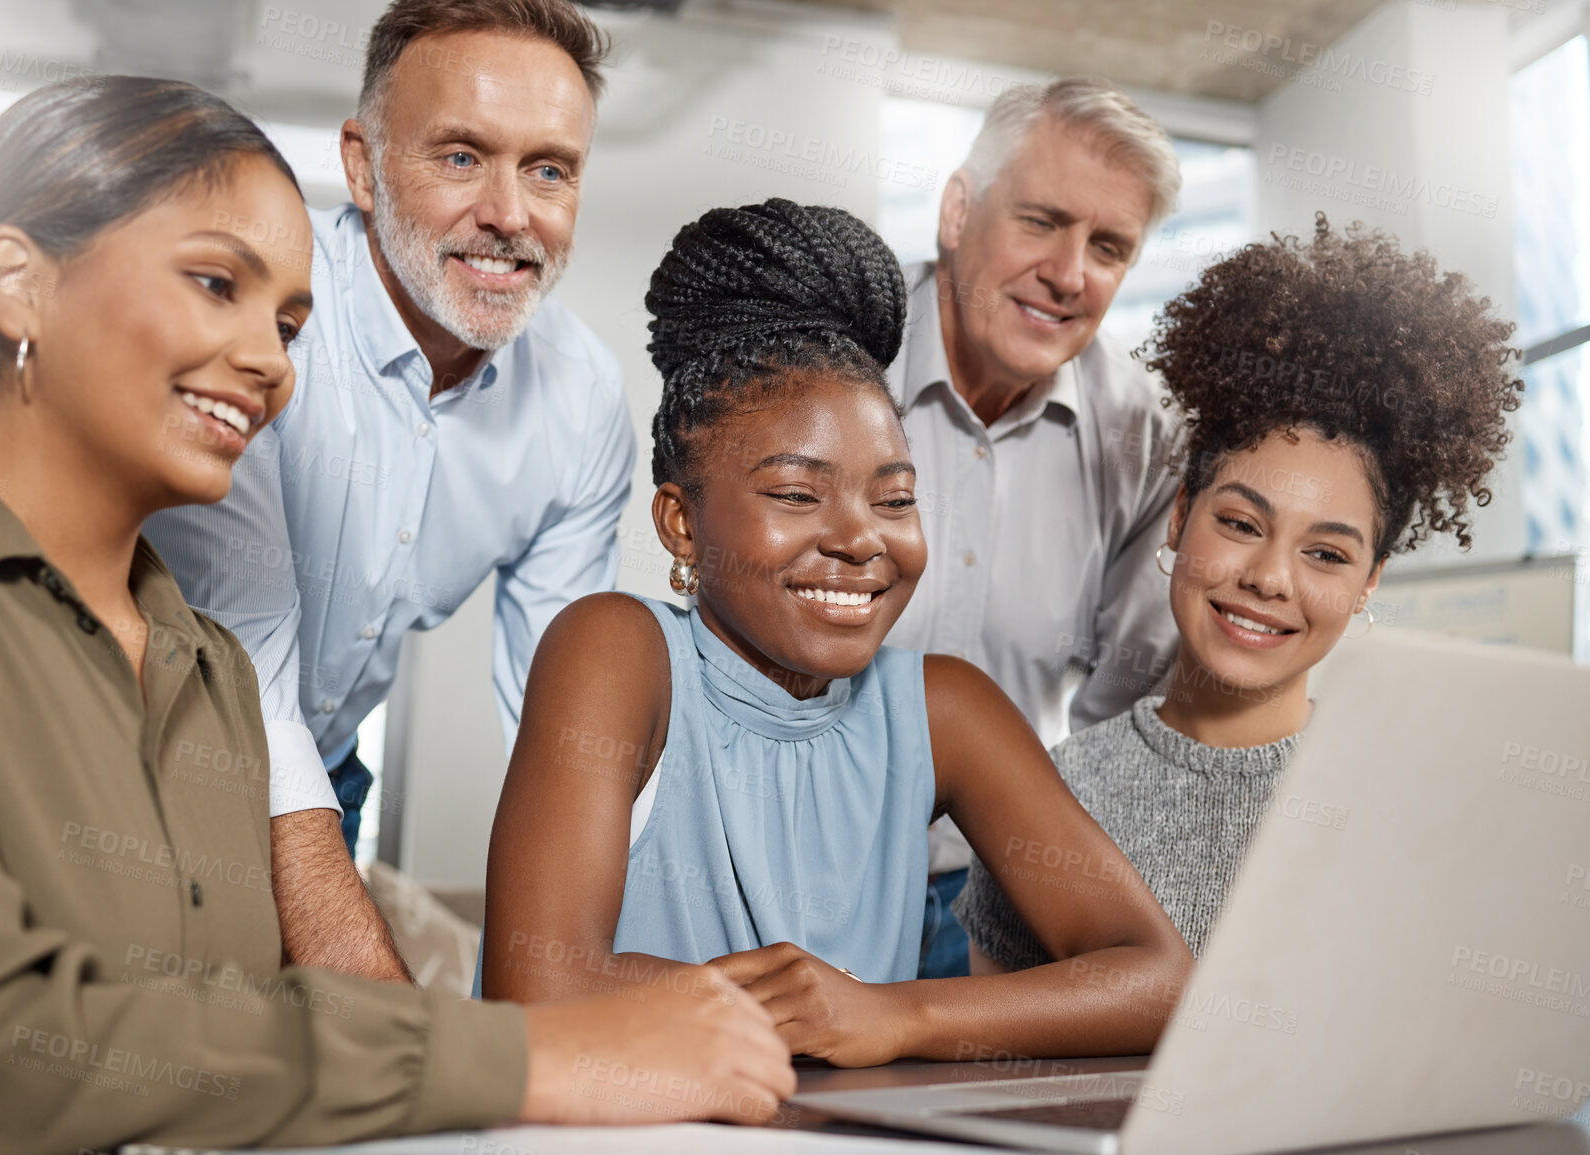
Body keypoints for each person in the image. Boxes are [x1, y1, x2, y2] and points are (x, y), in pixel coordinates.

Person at [0, 76, 792, 1155]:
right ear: (18, 283)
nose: (268, 363)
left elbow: (230, 1042)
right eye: (217, 283)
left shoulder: (206, 671)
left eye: (291, 325)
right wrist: (534, 1061)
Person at [480, 198, 1194, 1067]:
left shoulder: (941, 707)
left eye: (894, 498)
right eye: (795, 493)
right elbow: (540, 987)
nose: (861, 538)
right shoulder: (619, 652)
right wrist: (810, 1008)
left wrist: (898, 1015)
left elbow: (1159, 978)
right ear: (679, 523)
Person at [145, 0, 636, 980]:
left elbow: (574, 727)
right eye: (461, 157)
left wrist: (627, 987)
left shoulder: (581, 398)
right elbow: (249, 691)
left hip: (322, 768)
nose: (510, 214)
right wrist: (407, 1039)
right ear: (363, 167)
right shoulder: (261, 331)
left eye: (549, 169)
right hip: (143, 758)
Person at [953, 214, 1524, 973]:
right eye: (1240, 523)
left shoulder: (1421, 806)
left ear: (1368, 582)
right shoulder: (1048, 796)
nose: (1269, 577)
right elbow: (997, 1063)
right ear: (1180, 517)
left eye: (1325, 552)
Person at [881, 78, 1189, 978]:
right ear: (956, 209)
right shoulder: (835, 352)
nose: (1069, 273)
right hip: (775, 859)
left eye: (1108, 246)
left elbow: (1120, 712)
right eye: (1041, 221)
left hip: (982, 895)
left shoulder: (1141, 433)